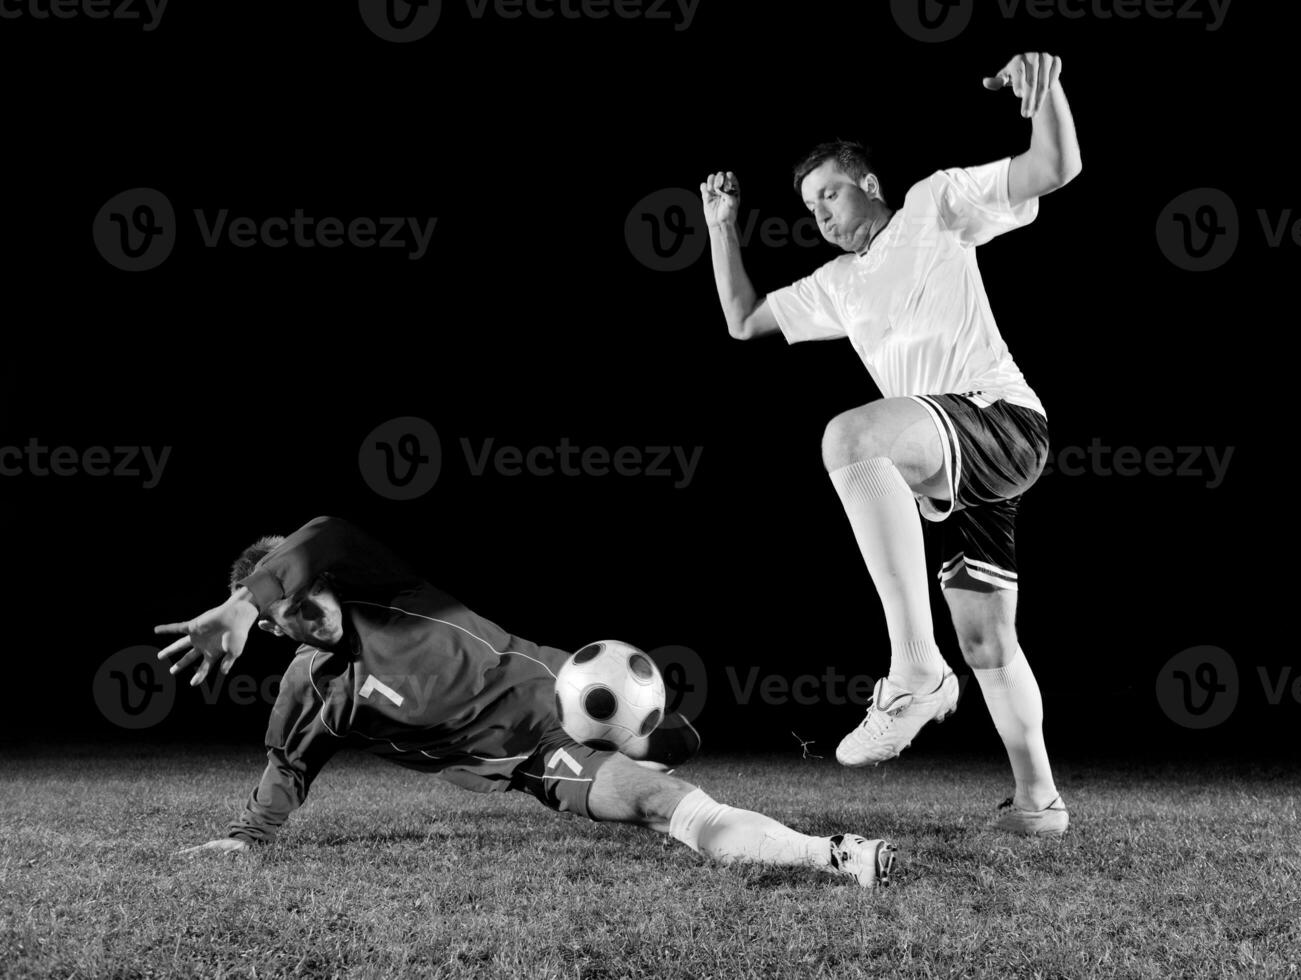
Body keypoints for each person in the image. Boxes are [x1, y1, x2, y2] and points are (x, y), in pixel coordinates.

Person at [702, 53, 1080, 836]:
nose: (822, 214)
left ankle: (913, 666)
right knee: (987, 637)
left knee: (850, 435)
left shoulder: (931, 205)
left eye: (831, 192)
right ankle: (1038, 799)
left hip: (999, 419)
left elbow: (1057, 164)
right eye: (809, 206)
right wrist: (720, 230)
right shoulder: (838, 282)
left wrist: (1047, 90)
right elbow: (742, 319)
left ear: (868, 184)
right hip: (948, 464)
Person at [156, 516, 897, 885]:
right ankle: (831, 854)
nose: (309, 603)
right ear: (271, 626)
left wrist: (242, 602)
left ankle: (646, 734)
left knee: (679, 743)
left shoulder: (385, 590)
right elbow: (287, 765)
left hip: (564, 691)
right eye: (288, 607)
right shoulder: (311, 688)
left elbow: (328, 532)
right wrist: (248, 838)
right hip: (535, 760)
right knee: (652, 798)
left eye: (307, 585)